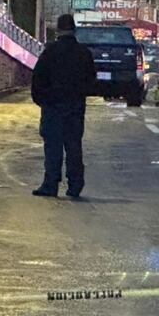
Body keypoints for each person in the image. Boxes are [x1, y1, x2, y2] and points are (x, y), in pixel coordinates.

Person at [30, 14, 97, 198]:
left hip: (53, 105)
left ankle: (51, 184)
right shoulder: (83, 53)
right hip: (75, 106)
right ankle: (75, 185)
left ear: (58, 30)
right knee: (73, 144)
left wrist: (41, 99)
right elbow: (91, 80)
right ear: (74, 30)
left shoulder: (50, 52)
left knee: (53, 145)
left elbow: (38, 78)